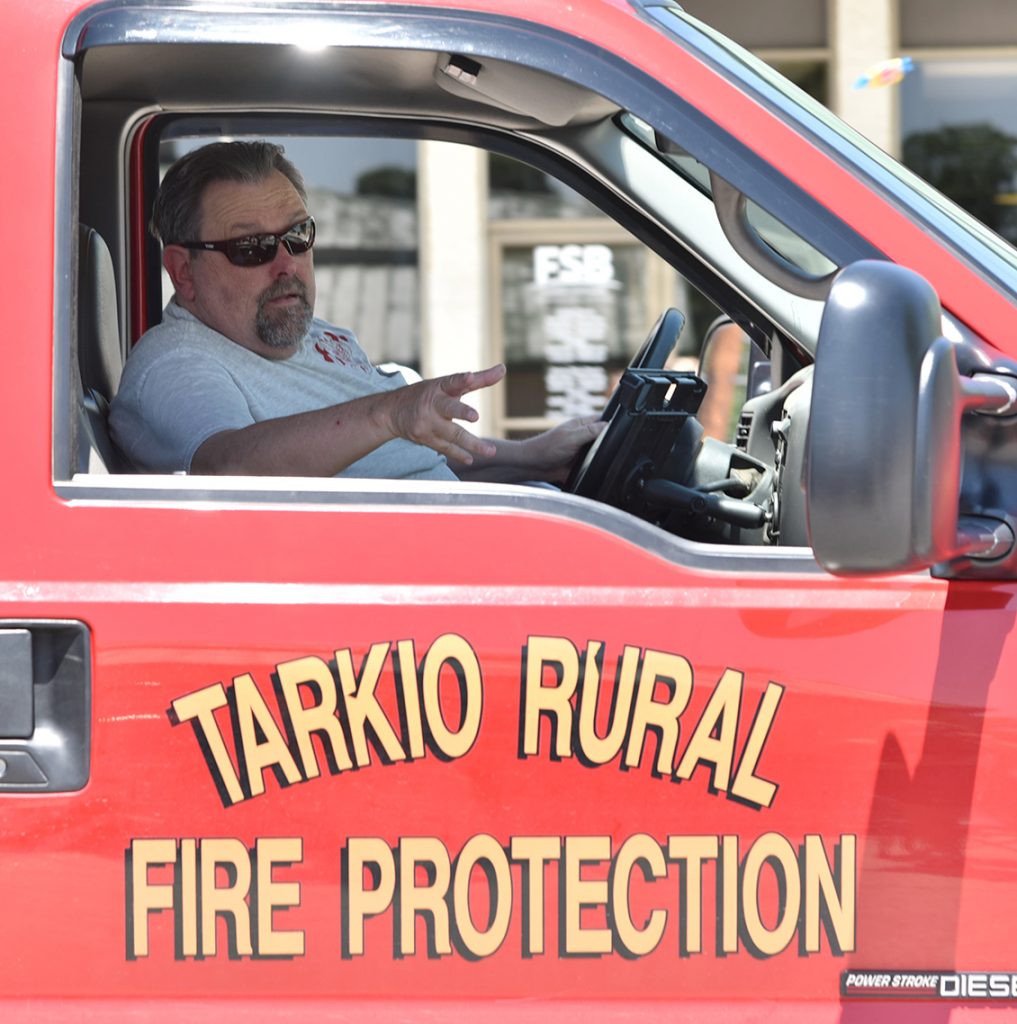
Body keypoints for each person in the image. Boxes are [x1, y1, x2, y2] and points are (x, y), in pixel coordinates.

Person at [109, 140, 601, 483]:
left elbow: (408, 464)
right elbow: (226, 471)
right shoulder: (176, 362)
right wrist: (387, 412)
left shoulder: (316, 339)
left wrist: (536, 456)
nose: (287, 264)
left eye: (297, 237)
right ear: (184, 272)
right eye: (252, 247)